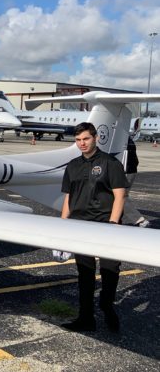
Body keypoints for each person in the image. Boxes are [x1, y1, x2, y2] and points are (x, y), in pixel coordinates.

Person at [60, 122, 128, 333]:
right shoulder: (72, 166)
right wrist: (61, 226)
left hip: (106, 224)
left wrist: (113, 224)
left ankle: (107, 306)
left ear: (96, 138)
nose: (82, 143)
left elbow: (120, 195)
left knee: (110, 270)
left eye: (86, 139)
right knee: (85, 273)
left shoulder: (110, 163)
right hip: (81, 226)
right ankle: (86, 318)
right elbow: (68, 197)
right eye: (78, 140)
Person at [123, 137, 150, 227]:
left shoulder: (120, 138)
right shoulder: (128, 140)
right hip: (131, 170)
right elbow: (136, 160)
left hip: (125, 171)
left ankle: (139, 220)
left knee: (120, 197)